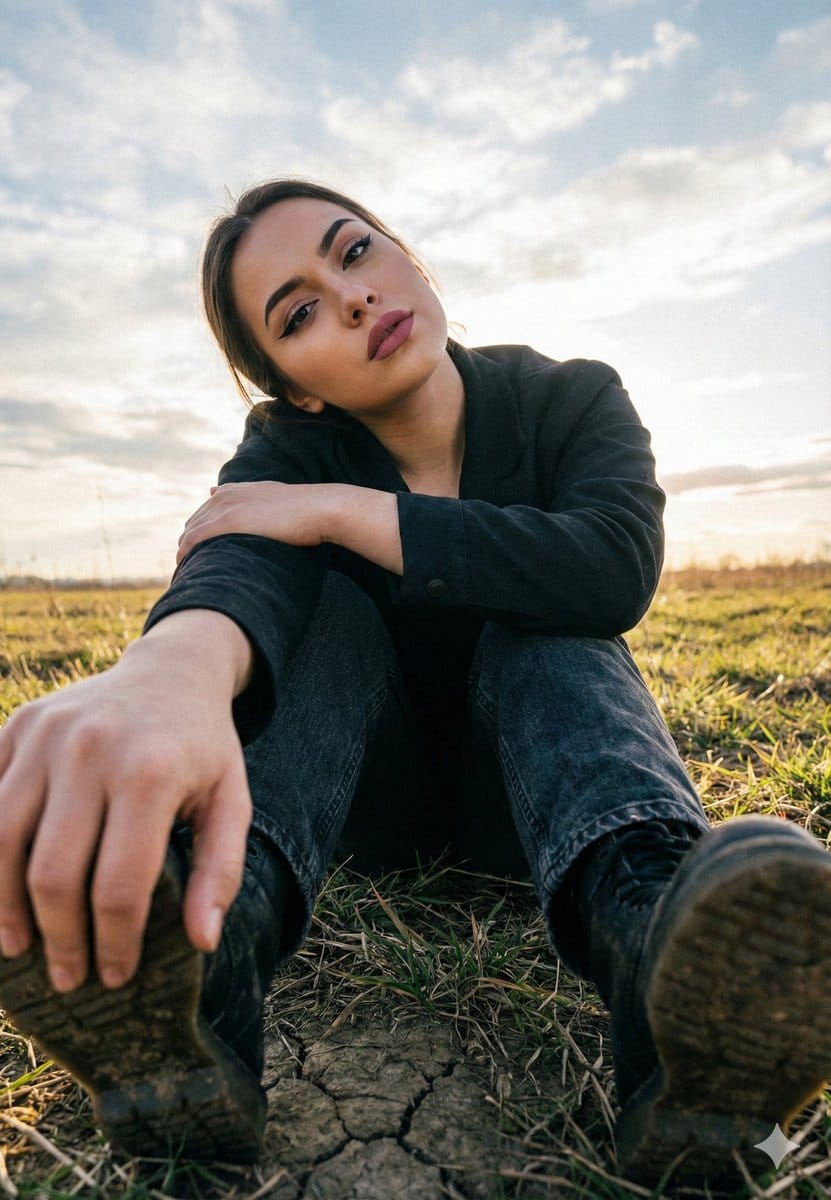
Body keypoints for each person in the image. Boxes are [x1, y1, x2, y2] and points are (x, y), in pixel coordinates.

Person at [0, 178, 829, 1185]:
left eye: (354, 253)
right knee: (330, 620)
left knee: (549, 622)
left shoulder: (572, 397)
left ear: (407, 258)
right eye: (299, 312)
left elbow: (612, 562)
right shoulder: (287, 451)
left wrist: (345, 514)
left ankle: (669, 972)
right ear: (295, 383)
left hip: (544, 811)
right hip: (363, 810)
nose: (349, 298)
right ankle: (201, 972)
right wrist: (168, 670)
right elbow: (238, 563)